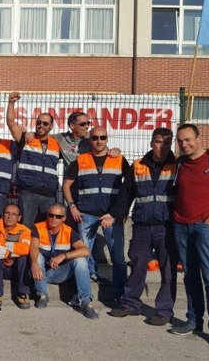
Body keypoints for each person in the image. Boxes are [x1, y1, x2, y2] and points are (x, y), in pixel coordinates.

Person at [104, 128, 178, 327]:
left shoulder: (178, 166)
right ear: (151, 142)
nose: (161, 147)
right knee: (137, 263)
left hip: (167, 227)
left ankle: (163, 311)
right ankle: (130, 304)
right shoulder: (138, 165)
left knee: (168, 270)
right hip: (142, 226)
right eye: (158, 142)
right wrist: (114, 214)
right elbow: (125, 196)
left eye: (166, 143)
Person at [169, 124, 209, 349]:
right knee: (190, 277)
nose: (184, 144)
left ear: (199, 138)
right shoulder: (180, 163)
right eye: (180, 141)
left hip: (206, 227)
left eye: (188, 139)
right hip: (181, 227)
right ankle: (194, 321)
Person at [62, 126, 128, 299]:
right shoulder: (81, 160)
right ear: (89, 140)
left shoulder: (119, 159)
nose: (99, 141)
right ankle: (83, 294)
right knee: (83, 254)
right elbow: (66, 185)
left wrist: (120, 212)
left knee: (117, 256)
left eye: (102, 137)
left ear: (107, 139)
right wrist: (72, 206)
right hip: (86, 213)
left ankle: (120, 294)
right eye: (95, 138)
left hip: (112, 215)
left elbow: (130, 187)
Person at [30, 203, 97, 319]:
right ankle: (42, 295)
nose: (53, 219)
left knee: (81, 260)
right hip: (41, 271)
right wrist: (34, 264)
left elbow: (86, 251)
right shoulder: (38, 227)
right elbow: (33, 247)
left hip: (60, 272)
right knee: (38, 256)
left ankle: (86, 301)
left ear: (64, 218)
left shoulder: (68, 231)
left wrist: (64, 256)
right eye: (51, 215)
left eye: (58, 216)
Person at [6, 92, 61, 228]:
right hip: (28, 193)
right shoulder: (26, 138)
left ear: (51, 127)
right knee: (26, 227)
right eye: (39, 123)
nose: (41, 126)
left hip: (48, 195)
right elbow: (11, 123)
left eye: (45, 123)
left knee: (47, 229)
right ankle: (25, 250)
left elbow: (79, 138)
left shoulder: (57, 143)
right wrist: (11, 103)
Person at [0, 203, 33, 312]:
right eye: (7, 213)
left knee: (24, 258)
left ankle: (23, 293)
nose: (10, 217)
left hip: (16, 269)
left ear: (19, 218)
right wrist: (13, 252)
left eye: (14, 214)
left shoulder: (25, 230)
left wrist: (3, 247)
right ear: (3, 214)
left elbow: (26, 249)